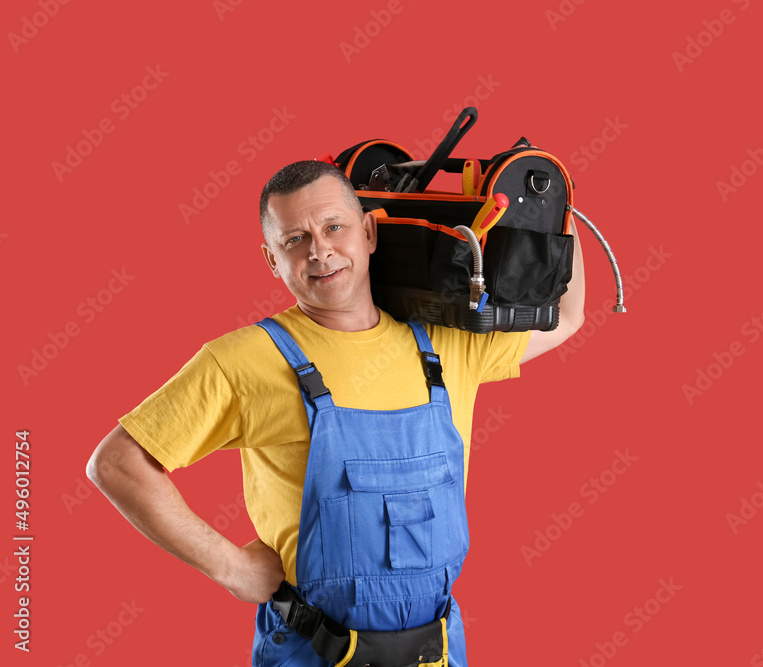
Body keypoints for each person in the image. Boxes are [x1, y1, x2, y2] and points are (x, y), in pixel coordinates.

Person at [87, 159, 585, 666]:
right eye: (294, 240)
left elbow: (566, 313)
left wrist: (551, 201)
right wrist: (231, 568)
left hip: (436, 652)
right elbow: (117, 464)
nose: (320, 251)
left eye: (333, 227)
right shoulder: (243, 360)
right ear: (271, 261)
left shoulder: (447, 343)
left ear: (368, 231)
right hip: (314, 650)